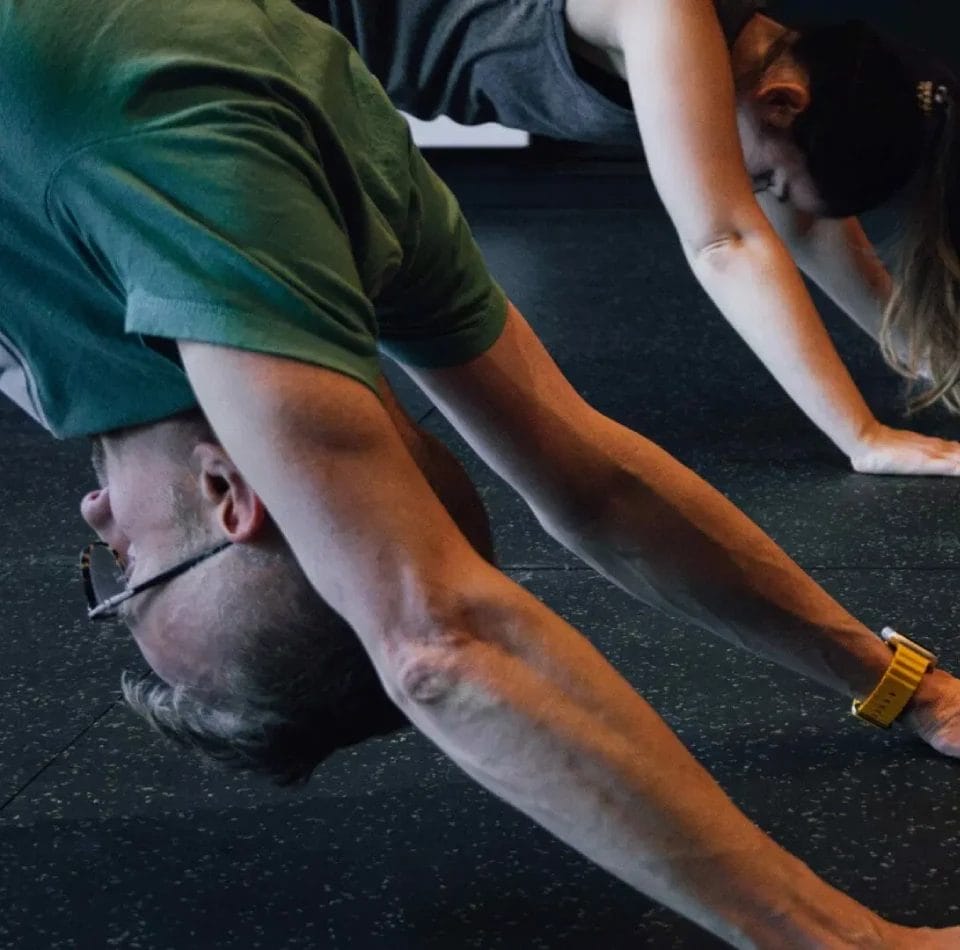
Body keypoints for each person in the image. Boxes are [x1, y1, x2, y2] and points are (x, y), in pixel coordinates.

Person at [2, 0, 960, 944]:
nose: (92, 517)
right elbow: (443, 634)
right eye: (127, 573)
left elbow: (572, 513)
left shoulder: (243, 188)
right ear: (230, 494)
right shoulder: (284, 201)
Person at [295, 0, 960, 476]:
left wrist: (943, 363)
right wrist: (864, 436)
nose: (770, 196)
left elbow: (817, 239)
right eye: (776, 181)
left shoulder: (750, 71)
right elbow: (725, 241)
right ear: (783, 103)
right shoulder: (666, 14)